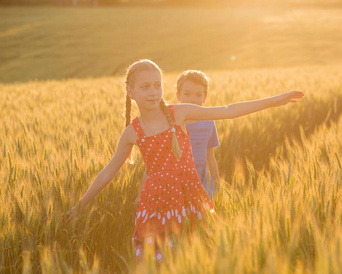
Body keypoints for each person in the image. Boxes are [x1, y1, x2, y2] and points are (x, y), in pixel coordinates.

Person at [65, 59, 304, 262]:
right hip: (154, 205)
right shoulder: (132, 132)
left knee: (193, 257)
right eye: (145, 86)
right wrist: (82, 204)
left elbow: (227, 110)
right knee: (154, 262)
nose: (153, 92)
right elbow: (108, 172)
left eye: (157, 85)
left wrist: (274, 101)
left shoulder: (179, 113)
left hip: (189, 198)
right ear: (131, 91)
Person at [135, 70, 220, 203]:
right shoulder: (169, 122)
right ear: (178, 96)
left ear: (205, 97)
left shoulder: (208, 122)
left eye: (198, 94)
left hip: (202, 188)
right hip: (174, 190)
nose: (192, 99)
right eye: (187, 94)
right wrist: (140, 195)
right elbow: (155, 163)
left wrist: (217, 185)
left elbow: (211, 157)